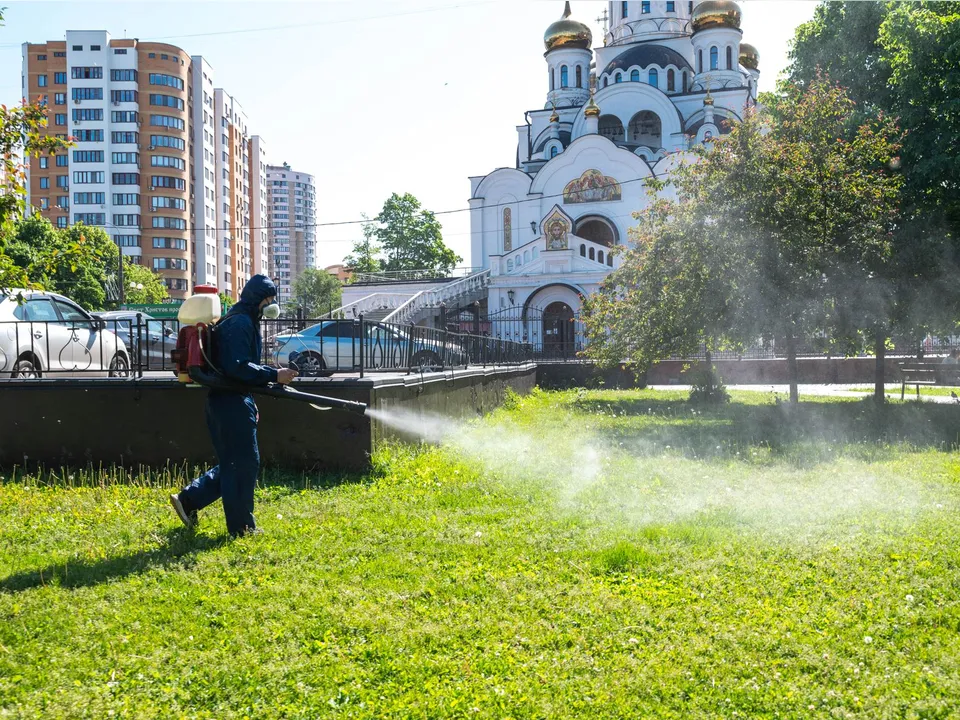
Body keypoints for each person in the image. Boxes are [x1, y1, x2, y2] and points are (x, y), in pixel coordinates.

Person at [169, 275, 297, 537]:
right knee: (243, 463)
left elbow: (238, 366)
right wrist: (274, 375)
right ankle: (242, 528)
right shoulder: (240, 323)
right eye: (268, 300)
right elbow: (237, 366)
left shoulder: (240, 318)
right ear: (257, 299)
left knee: (235, 462)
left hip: (227, 400)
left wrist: (265, 379)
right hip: (230, 401)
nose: (271, 305)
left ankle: (189, 500)